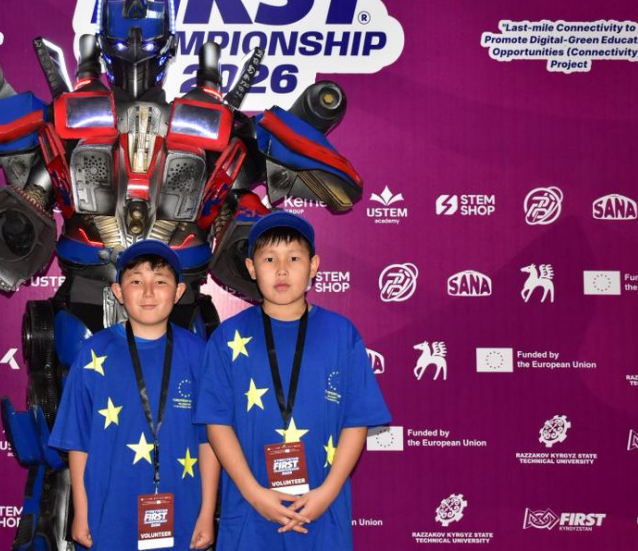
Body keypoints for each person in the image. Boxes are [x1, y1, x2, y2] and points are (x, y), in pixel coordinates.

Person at [195, 212, 390, 550]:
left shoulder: (341, 334)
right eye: (269, 259)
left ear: (314, 266)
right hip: (250, 510)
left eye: (294, 259)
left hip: (321, 509)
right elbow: (216, 424)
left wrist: (327, 493)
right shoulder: (227, 338)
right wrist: (254, 494)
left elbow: (356, 421)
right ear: (251, 268)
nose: (282, 270)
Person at [49, 240, 220, 550]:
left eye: (161, 282)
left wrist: (207, 513)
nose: (149, 292)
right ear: (118, 292)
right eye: (136, 282)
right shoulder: (93, 353)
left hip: (183, 509)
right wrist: (81, 511)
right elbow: (77, 441)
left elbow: (209, 442)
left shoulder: (200, 354)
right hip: (110, 511)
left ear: (179, 292)